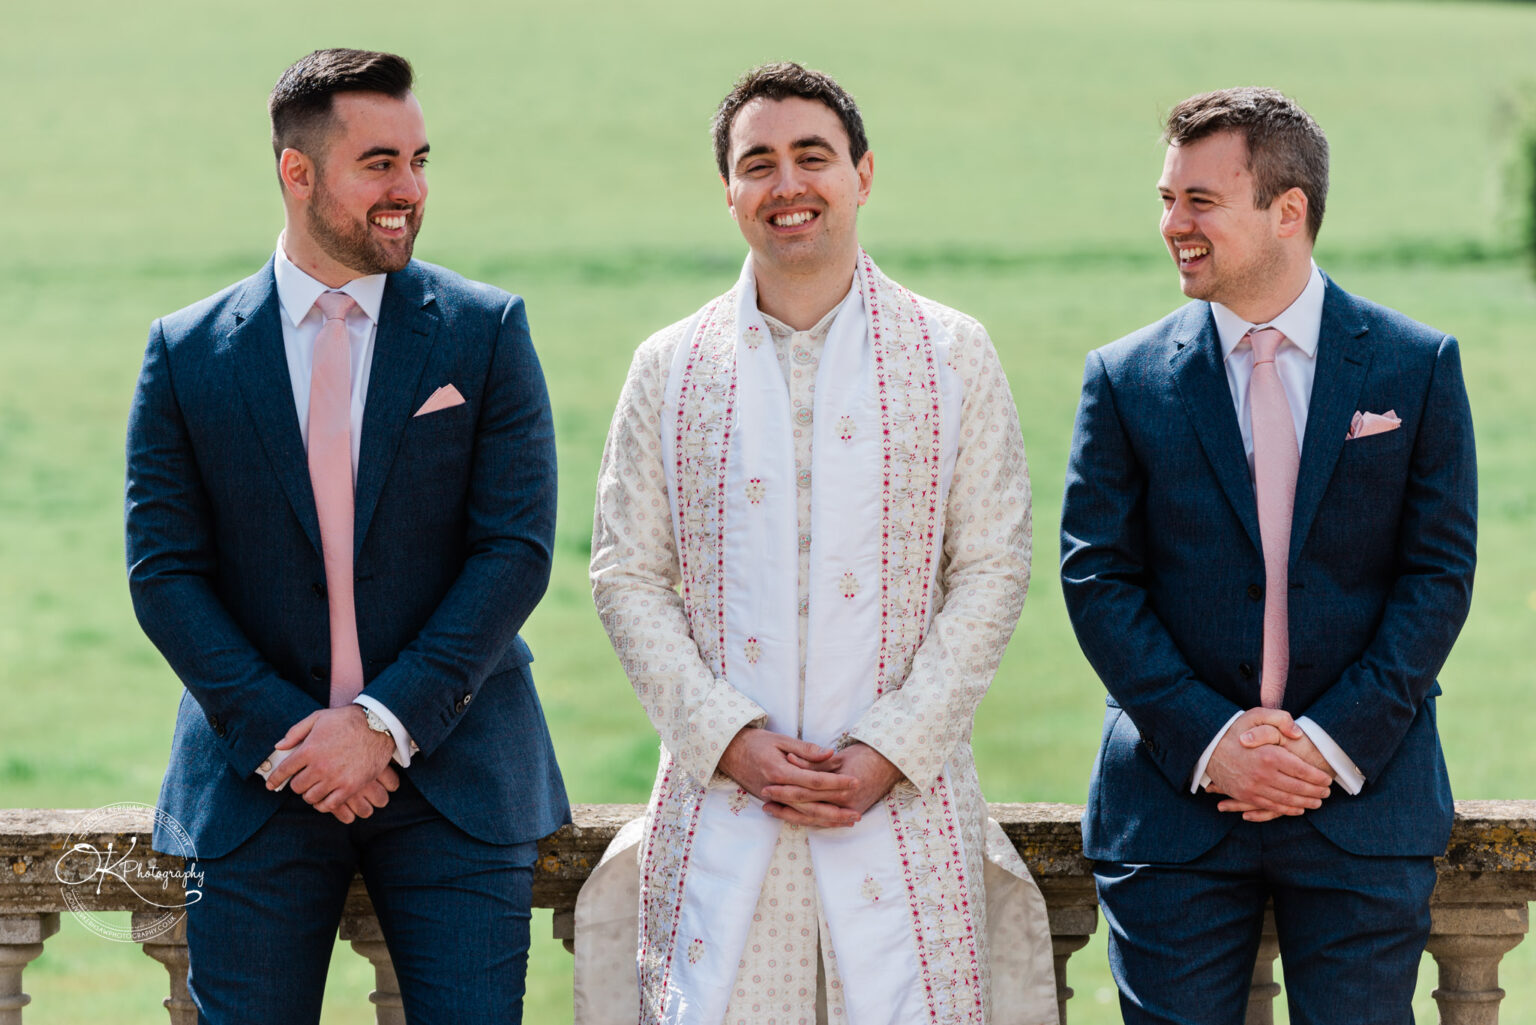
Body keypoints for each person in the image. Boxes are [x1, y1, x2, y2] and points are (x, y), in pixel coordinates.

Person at [585, 61, 1058, 1025]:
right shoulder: (670, 368)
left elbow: (995, 565)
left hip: (903, 810)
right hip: (724, 808)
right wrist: (729, 739)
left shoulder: (950, 352)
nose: (787, 184)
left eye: (813, 156)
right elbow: (626, 574)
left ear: (863, 174)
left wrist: (894, 745)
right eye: (758, 163)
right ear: (728, 190)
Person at [124, 48, 567, 1024]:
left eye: (419, 159)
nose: (409, 189)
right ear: (298, 171)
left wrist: (380, 723)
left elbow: (516, 548)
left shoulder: (484, 332)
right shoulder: (187, 352)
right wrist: (294, 739)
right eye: (379, 163)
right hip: (256, 778)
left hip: (458, 770)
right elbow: (164, 572)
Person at [1060, 86, 1477, 1024]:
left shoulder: (1416, 365)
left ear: (1288, 210)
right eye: (1166, 199)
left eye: (1199, 201)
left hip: (1365, 802)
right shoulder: (1122, 380)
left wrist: (1325, 748)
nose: (1172, 224)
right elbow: (1097, 577)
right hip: (1173, 803)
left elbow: (1439, 576)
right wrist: (1214, 740)